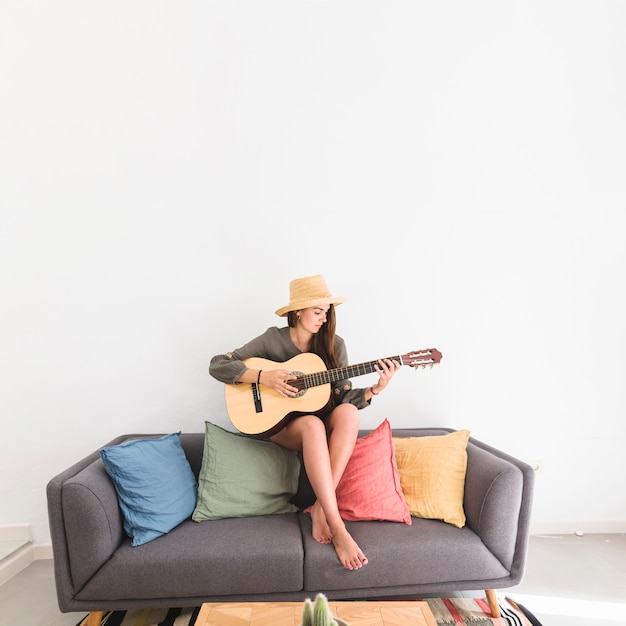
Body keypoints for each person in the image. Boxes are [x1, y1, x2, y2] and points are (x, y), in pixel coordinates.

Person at [209, 274, 400, 570]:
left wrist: (375, 389)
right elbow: (218, 364)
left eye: (327, 312)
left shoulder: (334, 345)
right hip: (281, 425)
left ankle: (322, 509)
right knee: (311, 424)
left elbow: (344, 398)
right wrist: (265, 377)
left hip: (320, 421)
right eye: (317, 312)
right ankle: (338, 528)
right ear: (297, 311)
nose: (324, 319)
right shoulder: (272, 339)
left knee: (348, 414)